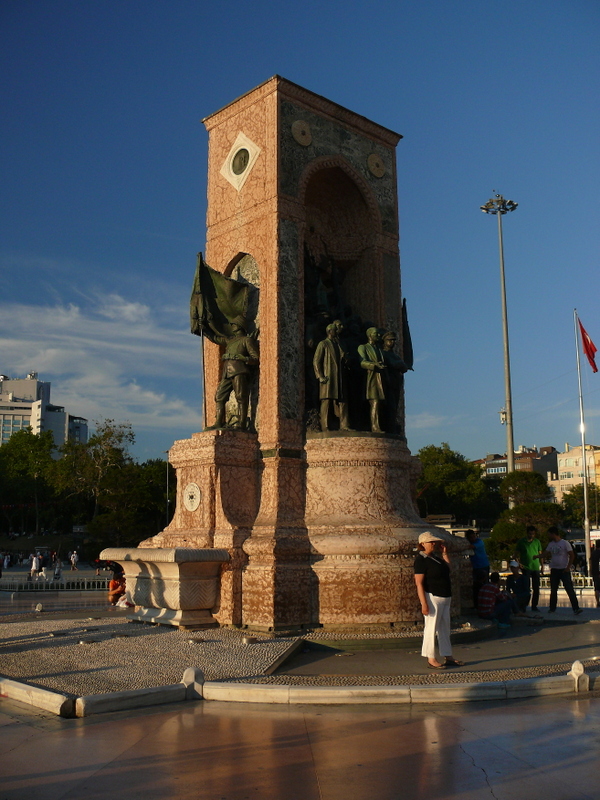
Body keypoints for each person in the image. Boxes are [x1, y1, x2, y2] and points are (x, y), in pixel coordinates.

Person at [414, 531, 464, 669]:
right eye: (431, 542)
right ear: (423, 544)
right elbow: (419, 583)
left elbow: (449, 569)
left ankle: (448, 655)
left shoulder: (435, 558)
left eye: (434, 542)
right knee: (431, 628)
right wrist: (424, 603)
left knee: (444, 628)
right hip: (433, 596)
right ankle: (431, 657)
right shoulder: (421, 560)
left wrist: (445, 553)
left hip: (445, 596)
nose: (434, 544)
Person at [205, 318, 259, 431]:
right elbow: (215, 338)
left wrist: (243, 358)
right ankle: (219, 422)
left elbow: (256, 358)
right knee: (219, 397)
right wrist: (204, 328)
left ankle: (242, 424)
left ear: (239, 326)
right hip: (227, 372)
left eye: (234, 324)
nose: (232, 326)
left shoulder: (246, 340)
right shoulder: (230, 341)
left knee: (241, 397)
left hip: (239, 370)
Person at [313, 321, 351, 431]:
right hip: (328, 377)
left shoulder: (339, 344)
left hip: (339, 377)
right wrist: (320, 376)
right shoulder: (323, 343)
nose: (337, 332)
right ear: (330, 331)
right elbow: (316, 361)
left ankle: (344, 425)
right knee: (327, 401)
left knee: (342, 401)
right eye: (335, 330)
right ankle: (325, 425)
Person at [537, 527, 582, 615]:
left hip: (564, 570)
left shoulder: (565, 543)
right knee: (553, 590)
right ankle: (552, 608)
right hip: (554, 569)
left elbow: (572, 555)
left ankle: (576, 608)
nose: (548, 536)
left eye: (549, 534)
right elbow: (545, 554)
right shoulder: (551, 544)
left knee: (569, 589)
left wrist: (568, 567)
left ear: (553, 534)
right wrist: (537, 556)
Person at [358, 327, 387, 433]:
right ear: (369, 335)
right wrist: (374, 365)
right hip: (370, 379)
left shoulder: (379, 349)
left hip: (380, 379)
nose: (378, 336)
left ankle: (377, 425)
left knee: (379, 403)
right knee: (375, 401)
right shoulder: (363, 347)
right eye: (376, 334)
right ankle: (375, 427)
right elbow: (362, 362)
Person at [514, 525, 543, 612]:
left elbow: (540, 554)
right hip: (526, 567)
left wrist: (542, 565)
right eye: (530, 534)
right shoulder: (521, 542)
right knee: (526, 587)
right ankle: (524, 605)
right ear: (527, 533)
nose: (531, 535)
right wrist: (519, 563)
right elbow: (515, 554)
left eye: (533, 534)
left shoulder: (537, 542)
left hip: (535, 567)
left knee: (536, 587)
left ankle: (534, 605)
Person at [465, 530, 490, 609]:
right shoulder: (472, 543)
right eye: (471, 538)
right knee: (476, 587)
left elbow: (471, 547)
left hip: (483, 566)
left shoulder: (480, 542)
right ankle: (477, 605)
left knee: (484, 586)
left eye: (473, 537)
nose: (473, 539)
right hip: (475, 567)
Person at [591, 540, 600, 608]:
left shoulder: (593, 553)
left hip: (595, 573)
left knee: (597, 588)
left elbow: (592, 563)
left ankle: (598, 602)